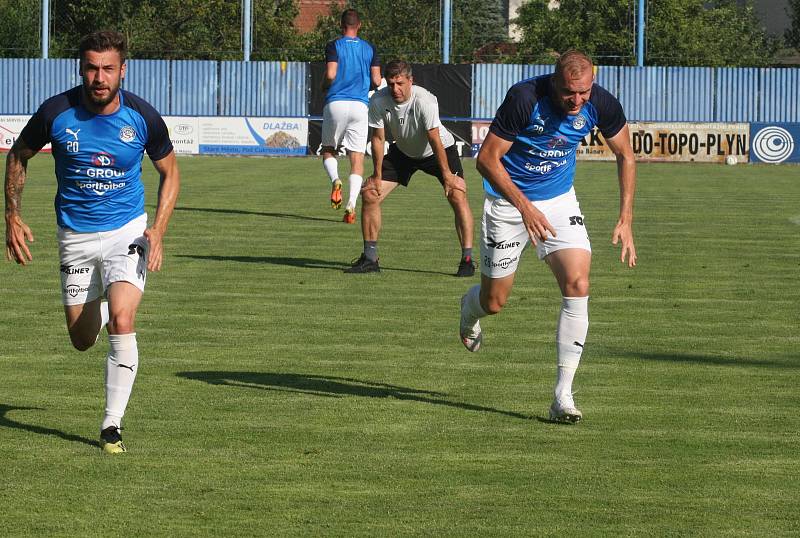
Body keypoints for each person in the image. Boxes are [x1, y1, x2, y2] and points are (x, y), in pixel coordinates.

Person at [4, 30, 180, 453]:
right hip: (75, 238)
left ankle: (111, 426)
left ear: (123, 70)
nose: (99, 77)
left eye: (108, 68)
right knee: (82, 339)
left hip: (126, 232)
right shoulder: (56, 112)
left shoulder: (143, 117)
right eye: (91, 67)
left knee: (123, 318)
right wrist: (12, 213)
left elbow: (170, 173)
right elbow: (17, 155)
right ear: (81, 68)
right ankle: (98, 304)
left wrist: (157, 228)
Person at [458, 50, 637, 423]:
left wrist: (625, 218)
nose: (577, 101)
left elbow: (626, 155)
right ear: (556, 81)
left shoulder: (601, 102)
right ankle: (469, 309)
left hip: (557, 201)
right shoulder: (524, 98)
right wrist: (524, 208)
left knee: (578, 281)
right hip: (509, 205)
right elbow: (486, 160)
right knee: (494, 302)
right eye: (570, 93)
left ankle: (562, 396)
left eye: (583, 93)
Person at [345, 60, 475, 277]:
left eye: (400, 83)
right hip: (404, 152)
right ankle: (370, 258)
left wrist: (448, 177)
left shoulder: (425, 100)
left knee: (457, 195)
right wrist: (377, 176)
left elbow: (434, 139)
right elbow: (378, 139)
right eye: (391, 84)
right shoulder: (378, 100)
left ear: (410, 81)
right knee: (370, 193)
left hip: (439, 150)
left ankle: (467, 259)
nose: (395, 89)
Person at [321, 8, 381, 224]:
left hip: (336, 102)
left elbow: (331, 74)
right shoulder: (369, 48)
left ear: (341, 25)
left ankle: (336, 181)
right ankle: (352, 205)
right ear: (360, 25)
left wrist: (323, 85)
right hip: (359, 106)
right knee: (356, 158)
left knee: (329, 150)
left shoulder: (334, 45)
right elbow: (376, 80)